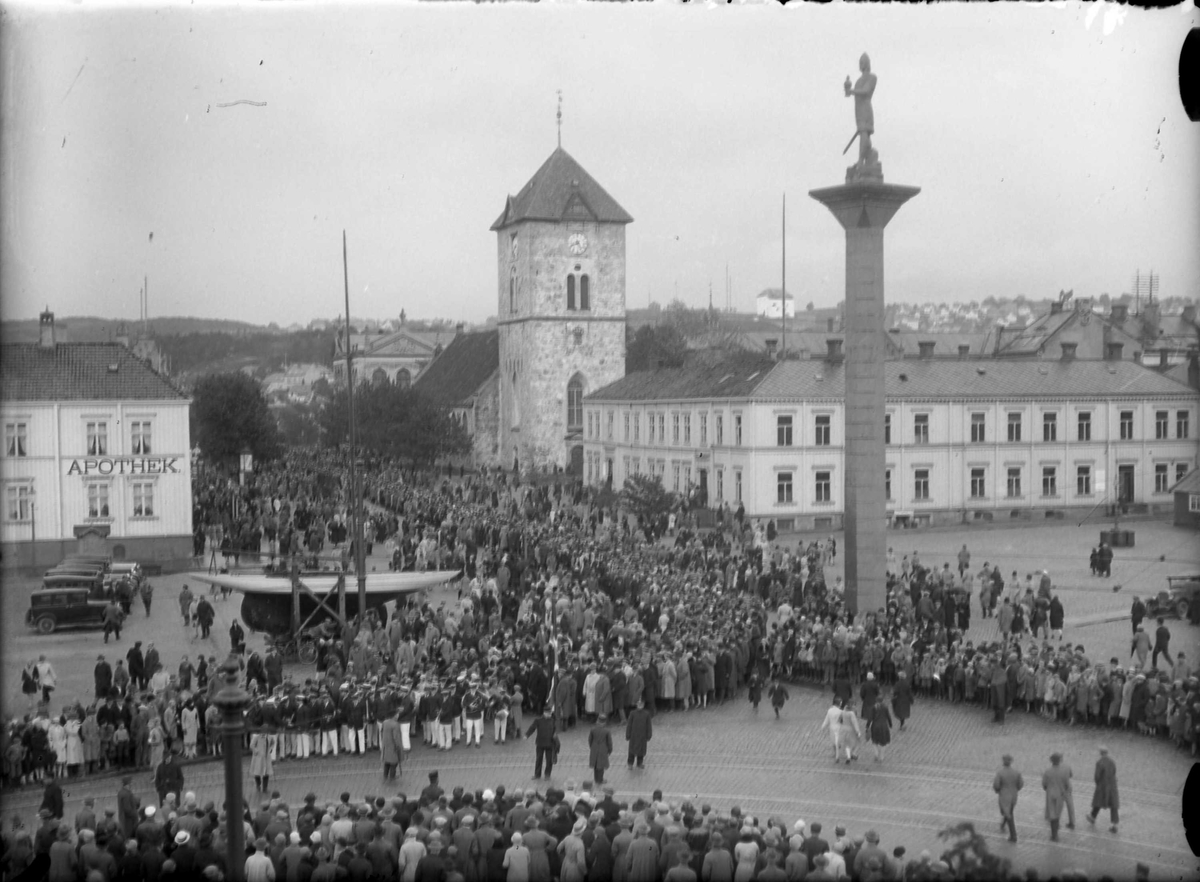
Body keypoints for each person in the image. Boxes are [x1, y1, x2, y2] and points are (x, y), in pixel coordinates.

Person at [1087, 746, 1119, 833]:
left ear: (1100, 753)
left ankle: (1093, 816)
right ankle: (1114, 824)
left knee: (1098, 800)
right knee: (1113, 805)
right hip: (1112, 785)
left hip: (1103, 785)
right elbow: (1114, 771)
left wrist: (1098, 784)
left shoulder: (1099, 762)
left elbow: (1097, 776)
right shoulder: (1112, 762)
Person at [1041, 752, 1072, 841]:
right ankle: (1056, 834)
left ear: (1051, 761)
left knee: (1052, 814)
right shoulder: (1064, 772)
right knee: (1057, 813)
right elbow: (1067, 784)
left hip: (1050, 794)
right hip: (1060, 794)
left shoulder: (1048, 771)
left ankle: (1054, 835)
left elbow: (1044, 784)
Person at [992, 754, 1023, 843]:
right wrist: (1016, 789)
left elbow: (996, 785)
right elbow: (1020, 784)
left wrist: (998, 790)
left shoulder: (1000, 773)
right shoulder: (1016, 772)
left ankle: (1013, 835)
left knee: (1008, 813)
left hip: (1004, 795)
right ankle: (1003, 824)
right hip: (1014, 795)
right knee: (1009, 811)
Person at [526, 707, 557, 780]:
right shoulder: (538, 720)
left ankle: (547, 775)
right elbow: (532, 728)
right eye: (548, 713)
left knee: (549, 760)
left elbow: (554, 730)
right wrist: (527, 735)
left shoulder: (552, 721)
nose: (550, 715)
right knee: (539, 759)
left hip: (550, 743)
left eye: (550, 713)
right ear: (544, 713)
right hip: (540, 743)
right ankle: (537, 774)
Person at [625, 699, 652, 770]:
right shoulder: (632, 713)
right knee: (631, 751)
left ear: (643, 705)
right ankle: (630, 763)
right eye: (638, 703)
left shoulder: (646, 714)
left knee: (641, 750)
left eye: (641, 704)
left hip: (642, 735)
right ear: (636, 704)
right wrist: (628, 734)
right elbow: (629, 725)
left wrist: (649, 735)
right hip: (633, 735)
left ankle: (639, 763)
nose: (640, 705)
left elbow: (649, 725)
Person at [587, 715, 612, 785]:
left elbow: (590, 740)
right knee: (601, 765)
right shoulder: (607, 731)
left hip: (594, 747)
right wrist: (610, 750)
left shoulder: (593, 729)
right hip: (603, 748)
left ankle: (596, 779)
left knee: (595, 764)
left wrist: (592, 747)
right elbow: (609, 742)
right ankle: (600, 779)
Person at [380, 711, 405, 782]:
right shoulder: (395, 724)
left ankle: (385, 775)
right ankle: (392, 776)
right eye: (397, 714)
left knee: (387, 762)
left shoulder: (385, 722)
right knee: (394, 762)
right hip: (393, 746)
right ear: (394, 715)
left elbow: (381, 732)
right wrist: (398, 747)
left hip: (386, 745)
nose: (398, 716)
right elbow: (396, 737)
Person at [868, 696, 892, 763]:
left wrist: (867, 726)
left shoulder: (874, 707)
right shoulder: (885, 707)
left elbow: (870, 718)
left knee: (874, 741)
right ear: (883, 700)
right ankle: (881, 757)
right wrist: (890, 724)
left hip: (875, 726)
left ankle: (876, 753)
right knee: (883, 742)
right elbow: (888, 716)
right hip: (883, 726)